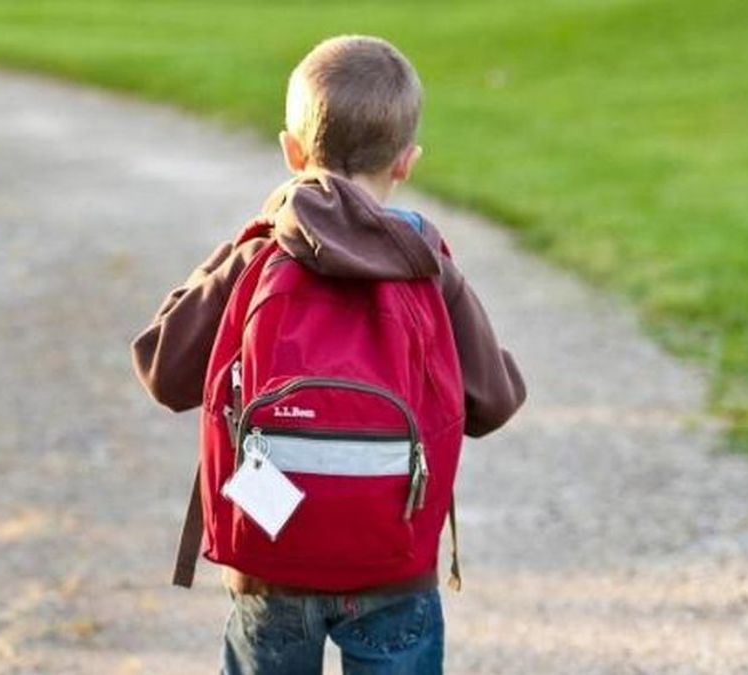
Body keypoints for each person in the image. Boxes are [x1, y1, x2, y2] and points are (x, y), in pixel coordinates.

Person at [131, 34, 525, 675]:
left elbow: (161, 368)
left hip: (271, 559)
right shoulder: (426, 263)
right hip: (394, 565)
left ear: (290, 151)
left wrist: (241, 246)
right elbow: (494, 404)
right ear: (407, 161)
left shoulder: (261, 255)